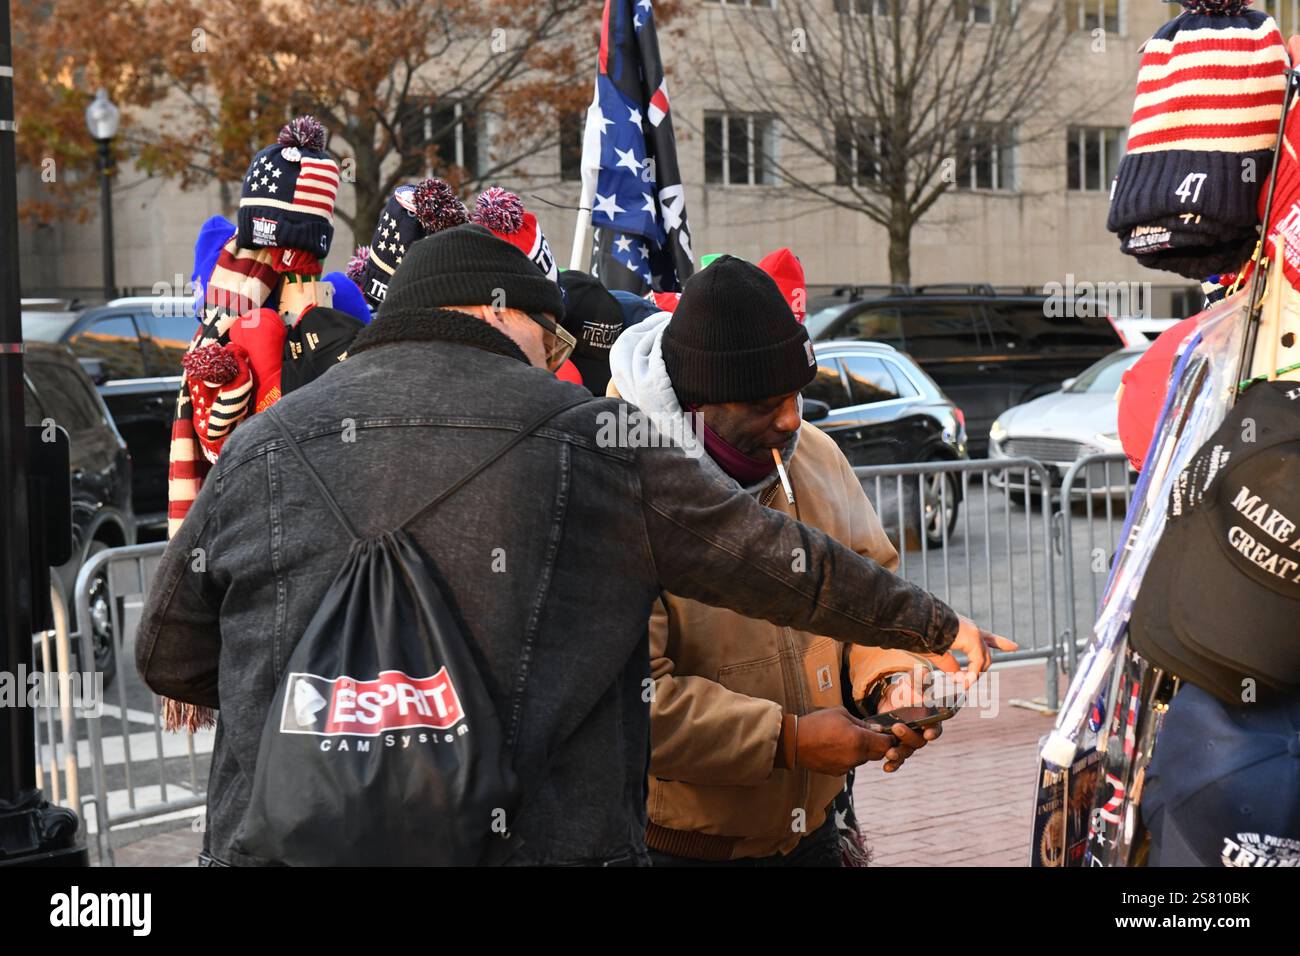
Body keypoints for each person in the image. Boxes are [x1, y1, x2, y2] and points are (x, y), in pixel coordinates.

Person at [138, 225, 1003, 867]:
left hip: (284, 843)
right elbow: (770, 560)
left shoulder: (265, 444)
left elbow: (169, 655)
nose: (552, 357)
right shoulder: (590, 437)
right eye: (548, 336)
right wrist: (929, 625)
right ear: (494, 311)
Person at [608, 255, 989, 866]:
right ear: (697, 404)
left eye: (796, 395)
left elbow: (871, 590)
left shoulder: (816, 453)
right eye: (764, 404)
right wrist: (789, 741)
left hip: (812, 834)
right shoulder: (621, 484)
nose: (790, 419)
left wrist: (891, 679)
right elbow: (635, 702)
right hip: (680, 849)